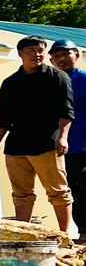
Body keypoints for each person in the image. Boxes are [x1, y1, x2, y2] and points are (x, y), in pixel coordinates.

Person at [0, 35, 74, 231]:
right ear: (20, 54)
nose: (37, 54)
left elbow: (66, 110)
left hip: (47, 144)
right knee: (21, 194)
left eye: (41, 50)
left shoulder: (57, 77)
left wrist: (63, 137)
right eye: (31, 51)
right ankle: (23, 233)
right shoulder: (10, 83)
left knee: (58, 191)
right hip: (17, 146)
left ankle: (65, 235)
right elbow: (4, 116)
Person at [50, 40, 86, 243]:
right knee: (71, 191)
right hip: (60, 150)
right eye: (57, 56)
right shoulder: (52, 81)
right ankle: (81, 232)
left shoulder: (82, 80)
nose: (61, 59)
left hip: (82, 146)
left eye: (66, 54)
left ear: (77, 55)